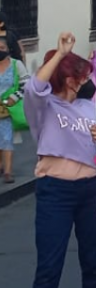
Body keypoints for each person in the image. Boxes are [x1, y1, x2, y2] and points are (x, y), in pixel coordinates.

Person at [23, 32, 96, 288]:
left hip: (92, 188)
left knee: (94, 259)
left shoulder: (93, 106)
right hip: (54, 190)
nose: (87, 79)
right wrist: (60, 54)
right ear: (68, 79)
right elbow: (34, 86)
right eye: (80, 74)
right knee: (49, 263)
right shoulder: (44, 106)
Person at [0, 37, 29, 183]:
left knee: (6, 138)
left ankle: (8, 171)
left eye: (2, 47)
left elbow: (26, 83)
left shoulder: (16, 65)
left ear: (8, 49)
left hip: (8, 108)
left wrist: (14, 97)